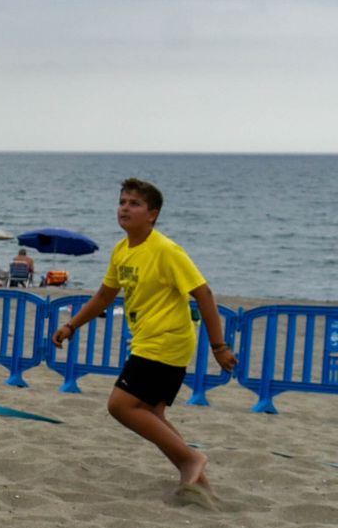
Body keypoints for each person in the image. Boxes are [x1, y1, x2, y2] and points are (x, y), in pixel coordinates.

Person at [51, 178, 236, 507]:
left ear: (153, 214)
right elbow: (105, 296)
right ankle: (200, 485)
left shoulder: (166, 250)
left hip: (167, 341)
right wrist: (72, 325)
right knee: (151, 413)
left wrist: (218, 347)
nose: (125, 208)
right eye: (122, 202)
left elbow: (204, 293)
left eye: (134, 203)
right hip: (147, 341)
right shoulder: (122, 251)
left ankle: (191, 459)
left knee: (120, 405)